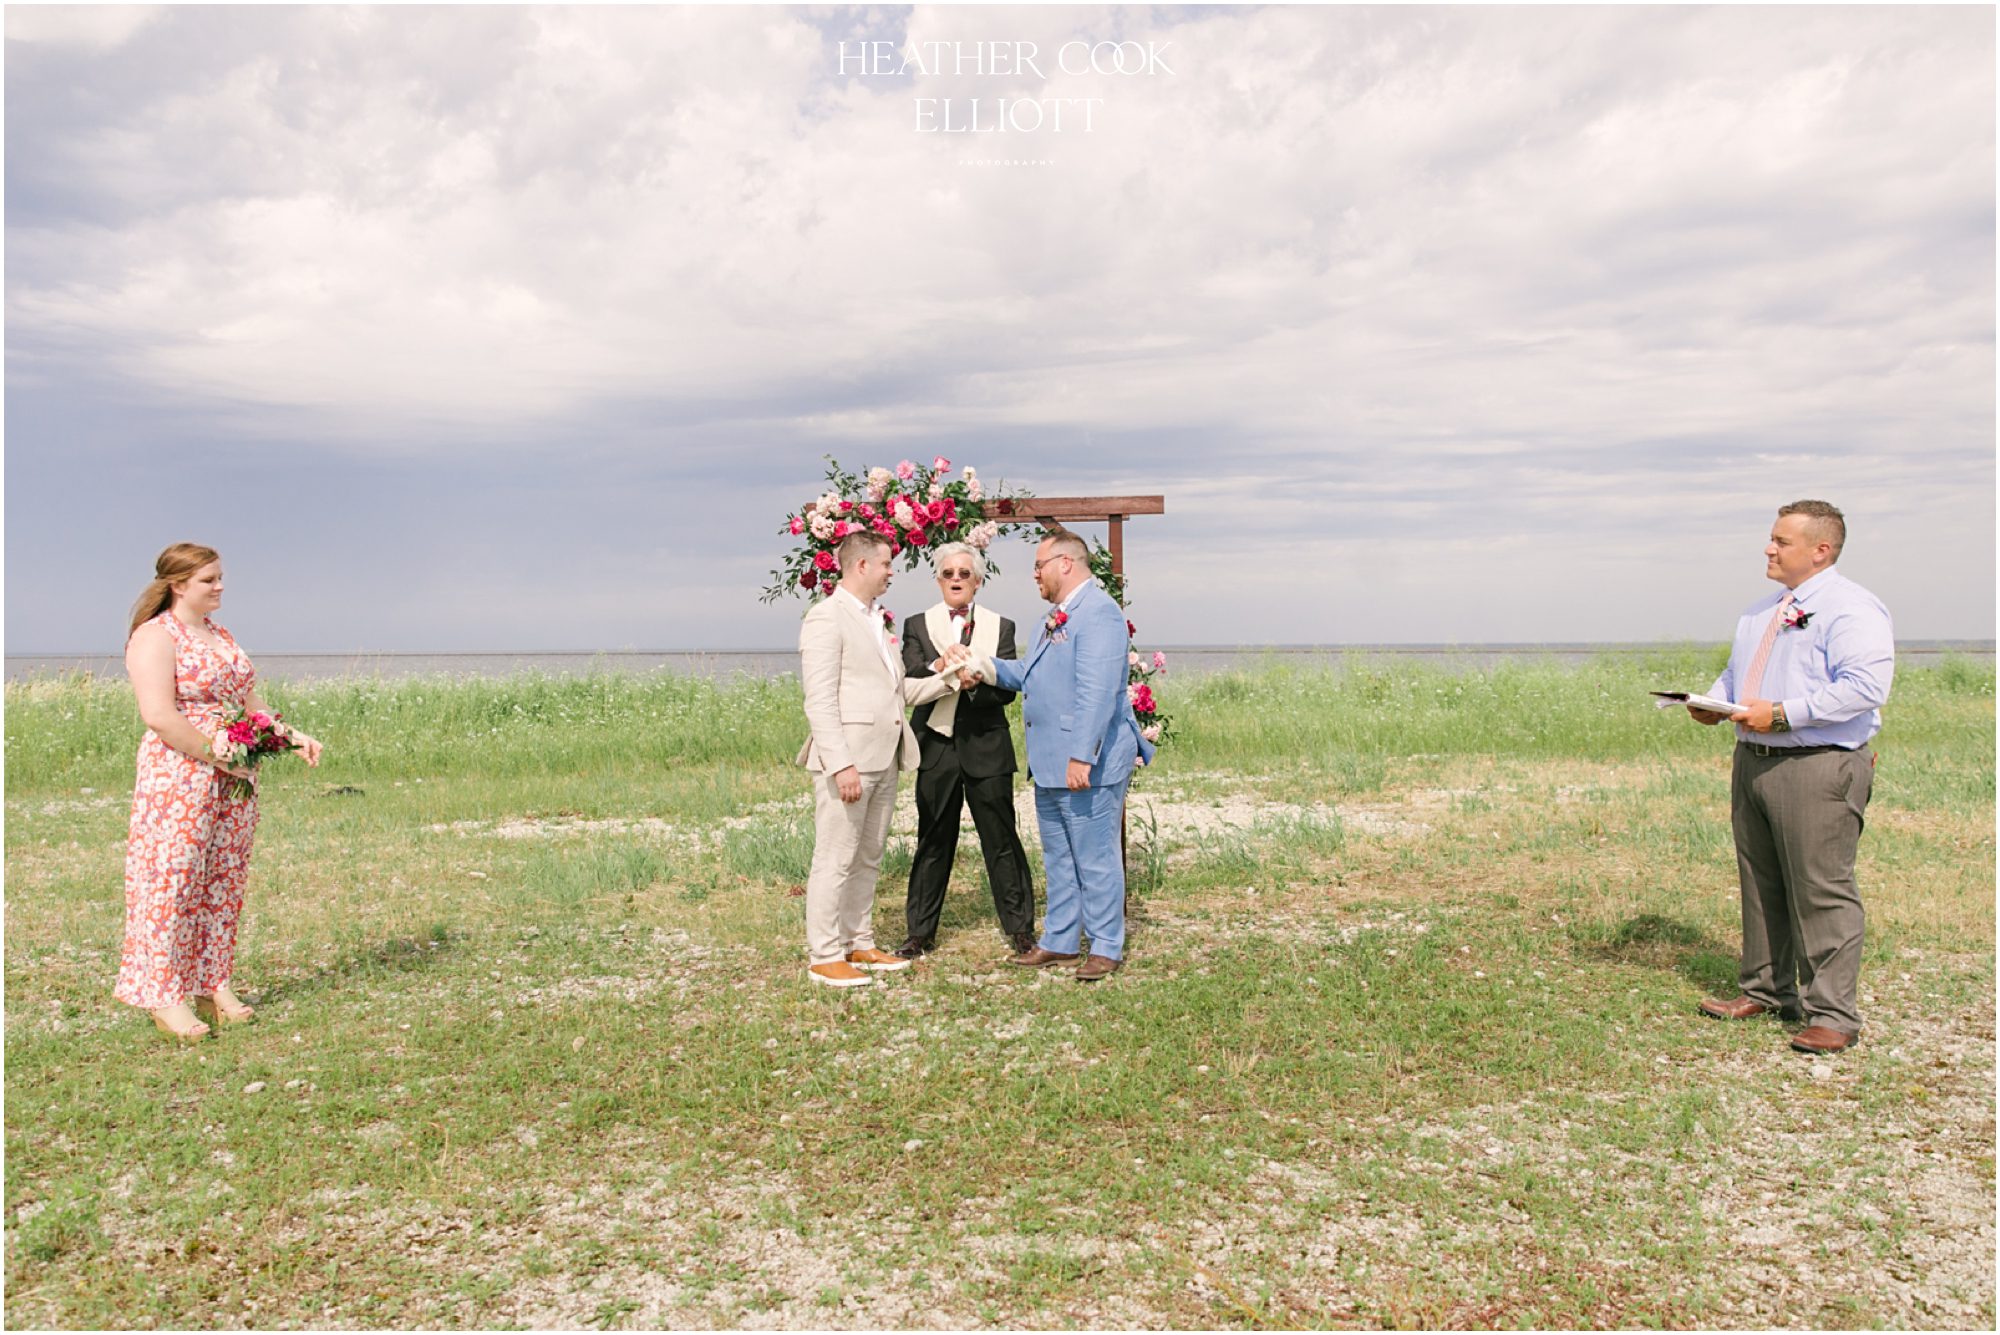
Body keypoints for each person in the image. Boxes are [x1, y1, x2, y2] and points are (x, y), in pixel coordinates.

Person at [1688, 501, 1893, 1055]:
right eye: (1771, 539)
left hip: (1817, 764)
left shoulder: (1851, 608)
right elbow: (1737, 675)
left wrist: (1781, 714)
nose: (1768, 548)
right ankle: (1766, 989)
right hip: (1752, 760)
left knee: (1821, 888)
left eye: (1781, 541)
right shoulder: (1759, 612)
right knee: (1760, 880)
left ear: (1820, 550)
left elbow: (1864, 688)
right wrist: (1714, 702)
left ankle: (1833, 1014)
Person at [116, 543, 324, 1042]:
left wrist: (290, 736)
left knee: (222, 882)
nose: (220, 586)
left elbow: (248, 699)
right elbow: (159, 715)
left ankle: (213, 982)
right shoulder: (155, 636)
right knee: (172, 882)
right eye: (210, 579)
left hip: (234, 775)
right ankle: (164, 995)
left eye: (220, 577)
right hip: (181, 773)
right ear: (178, 584)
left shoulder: (219, 635)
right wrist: (215, 753)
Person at [796, 531, 971, 988]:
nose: (892, 572)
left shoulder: (878, 622)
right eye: (887, 565)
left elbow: (900, 692)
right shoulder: (825, 619)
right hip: (850, 761)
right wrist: (840, 764)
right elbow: (819, 701)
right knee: (835, 857)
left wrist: (952, 679)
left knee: (868, 855)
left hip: (885, 757)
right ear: (861, 567)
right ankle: (825, 954)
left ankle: (859, 940)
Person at [979, 530, 1154, 981]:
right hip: (1049, 761)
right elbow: (1027, 674)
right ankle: (1060, 941)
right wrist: (979, 665)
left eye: (1039, 565)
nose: (1034, 573)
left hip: (1085, 763)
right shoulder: (1051, 619)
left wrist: (1082, 756)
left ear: (1065, 563)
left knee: (1095, 857)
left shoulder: (1099, 614)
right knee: (1058, 857)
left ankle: (1106, 945)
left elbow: (1096, 692)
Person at [894, 542, 1038, 959]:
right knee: (933, 839)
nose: (956, 579)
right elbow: (910, 676)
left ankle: (1021, 930)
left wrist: (977, 687)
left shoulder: (1001, 626)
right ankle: (919, 933)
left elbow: (1009, 689)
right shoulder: (917, 625)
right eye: (948, 573)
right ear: (938, 580)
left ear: (977, 581)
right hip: (937, 746)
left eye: (964, 573)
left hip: (986, 745)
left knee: (1002, 839)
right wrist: (942, 668)